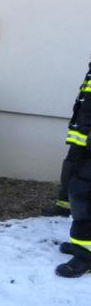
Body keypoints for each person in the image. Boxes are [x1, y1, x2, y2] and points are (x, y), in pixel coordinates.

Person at [55, 60, 91, 278]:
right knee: (77, 190)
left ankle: (86, 255)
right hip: (83, 143)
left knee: (85, 194)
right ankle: (81, 243)